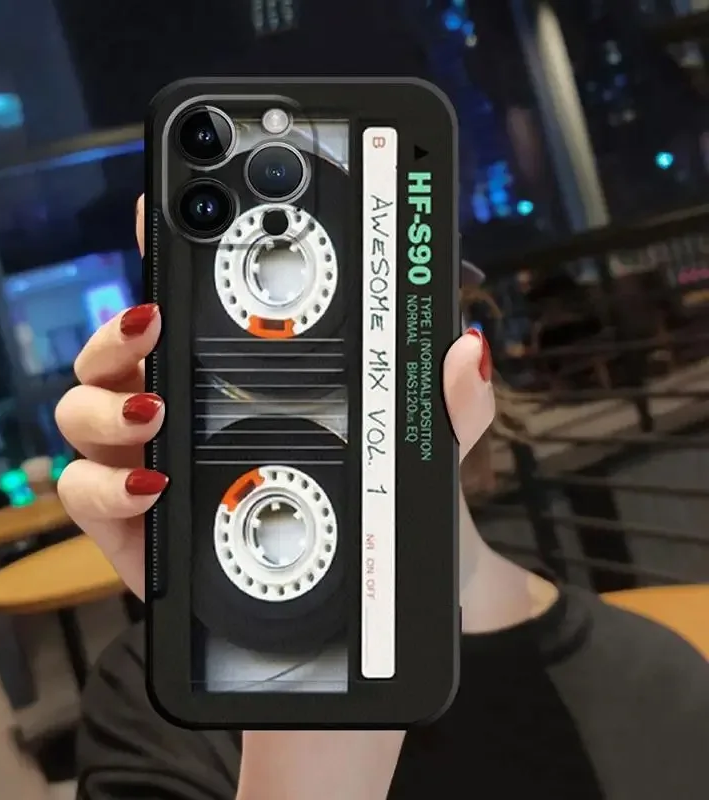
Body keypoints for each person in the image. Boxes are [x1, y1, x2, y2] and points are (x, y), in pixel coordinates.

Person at [55, 199, 709, 800]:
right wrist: (299, 673)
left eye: (345, 303)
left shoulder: (660, 692)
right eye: (248, 321)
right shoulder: (153, 698)